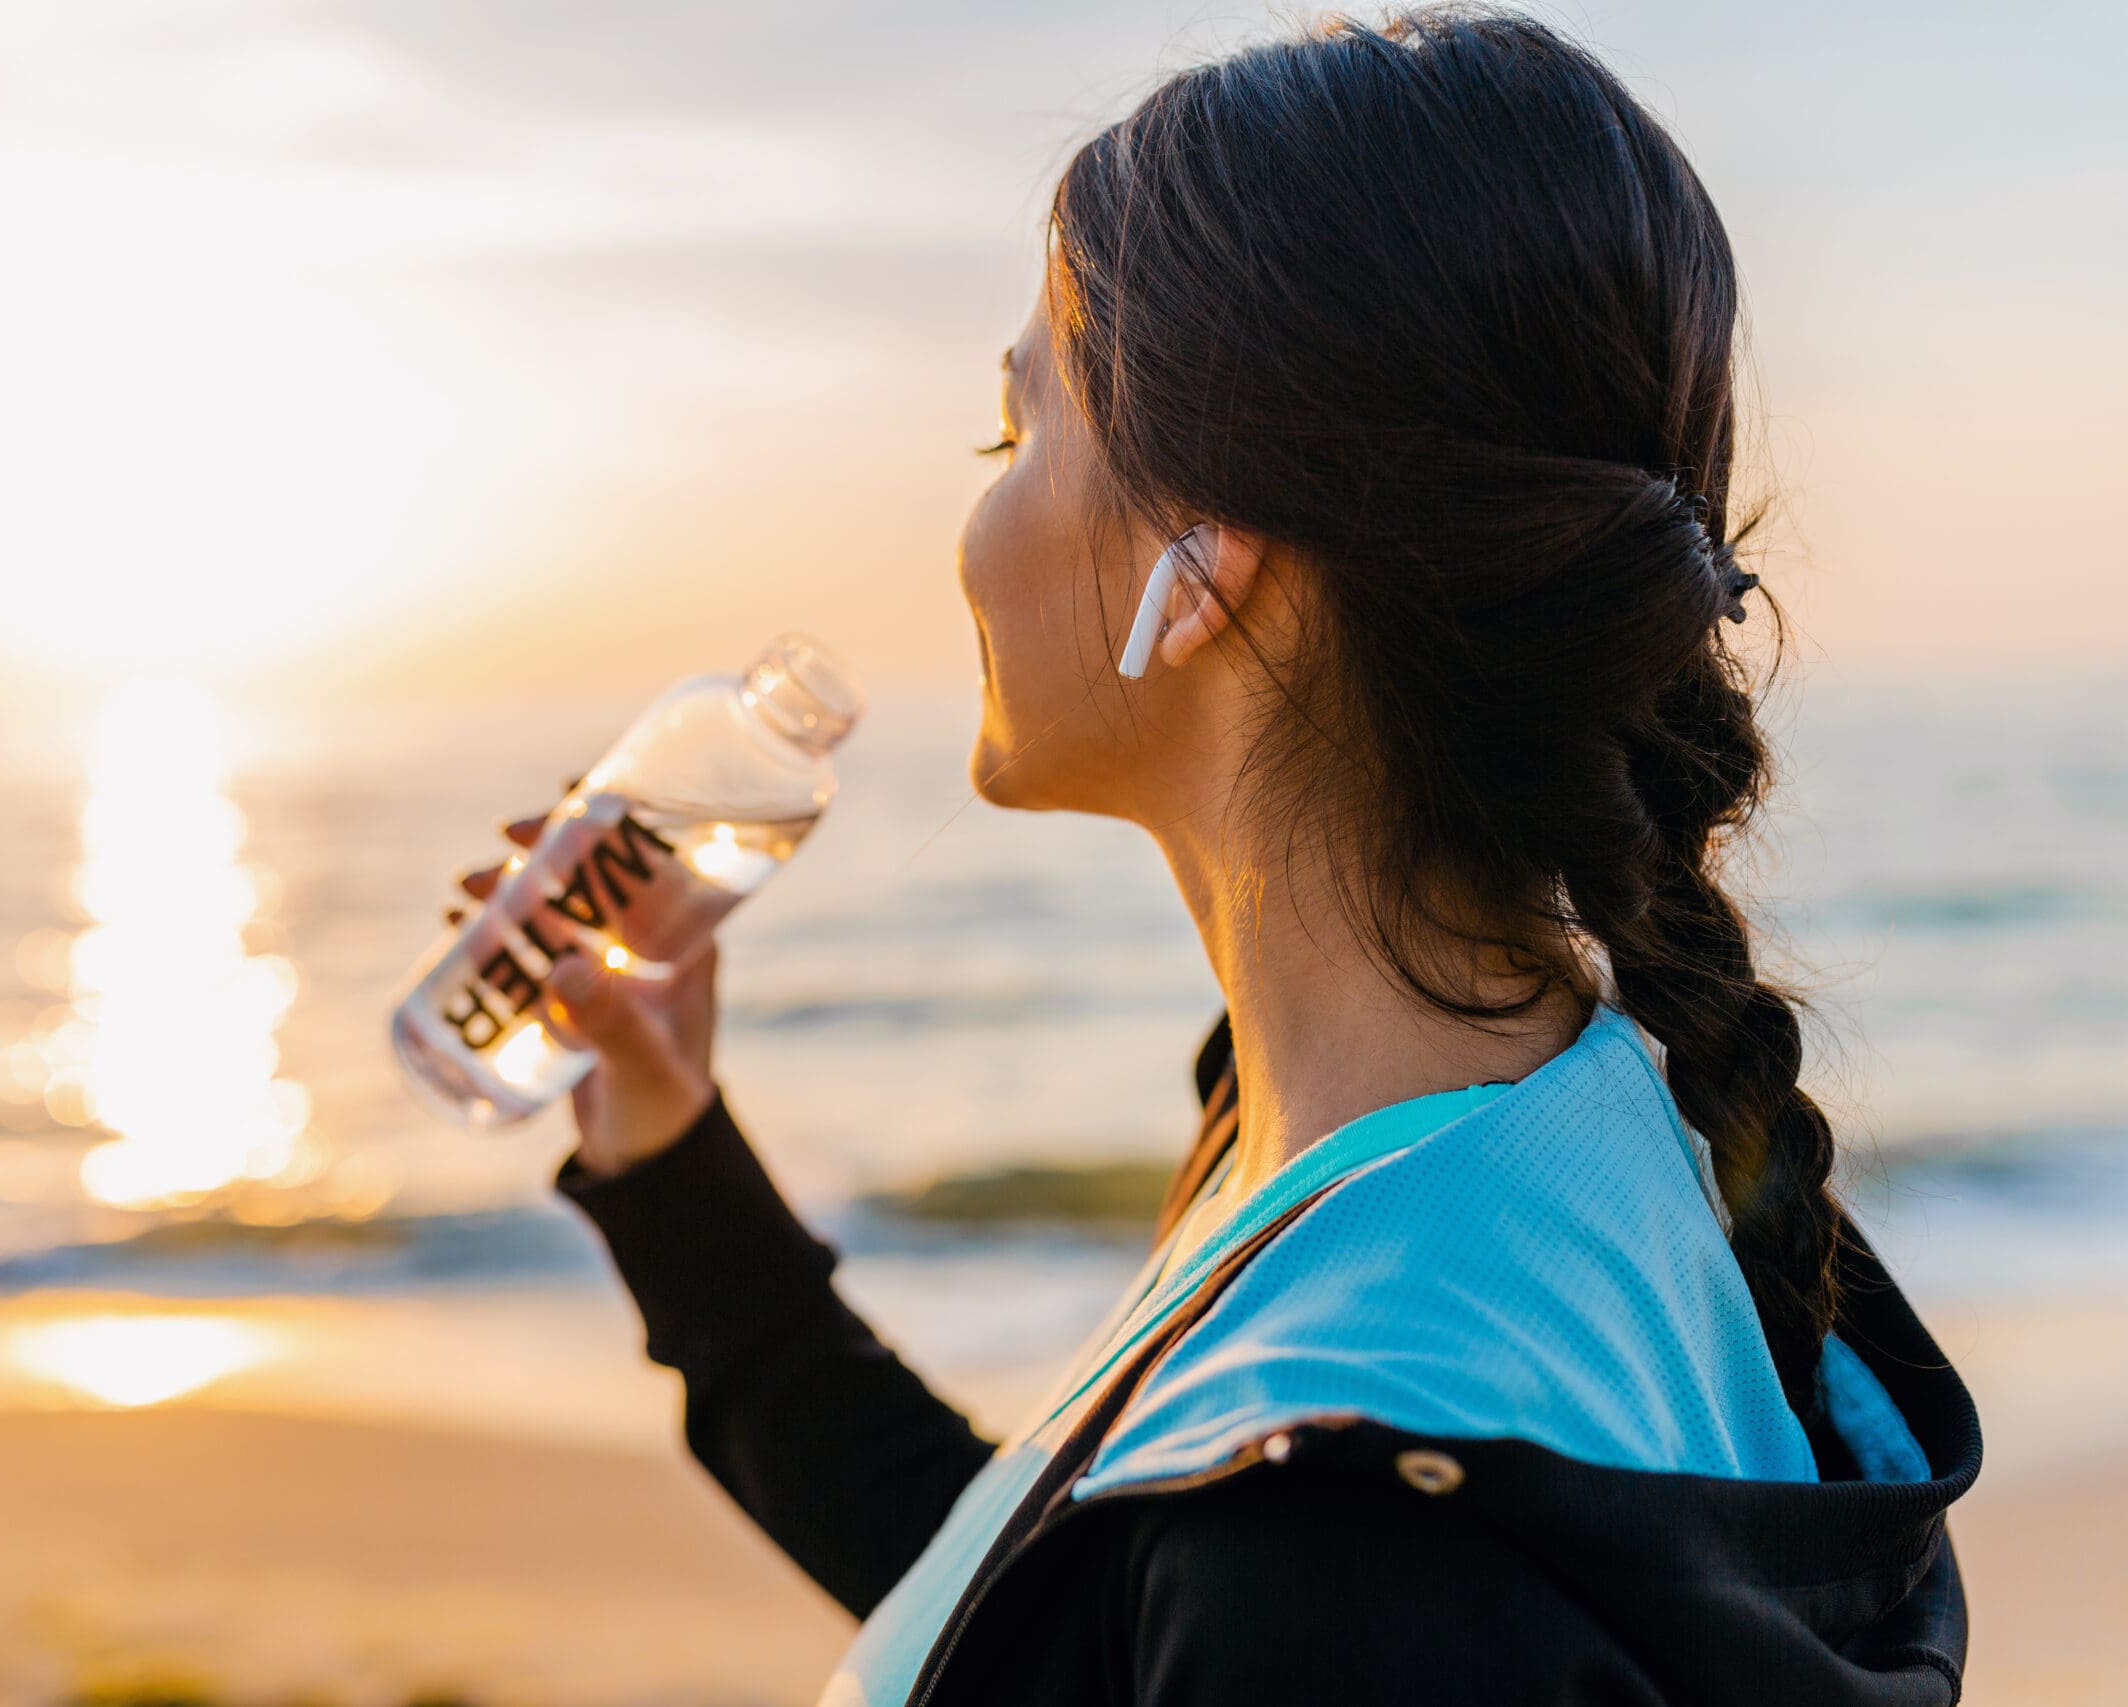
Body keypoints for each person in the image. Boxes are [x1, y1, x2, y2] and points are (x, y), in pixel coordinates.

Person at [486, 9, 1981, 1702]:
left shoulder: (1352, 1535)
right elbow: (1041, 1611)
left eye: (1015, 435)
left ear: (1201, 562)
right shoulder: (1554, 1131)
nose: (973, 528)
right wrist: (673, 1158)